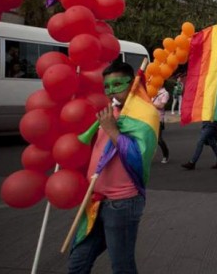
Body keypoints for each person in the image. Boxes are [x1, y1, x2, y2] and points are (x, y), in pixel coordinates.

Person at [68, 61, 159, 274]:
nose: (111, 92)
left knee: (122, 266)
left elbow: (138, 157)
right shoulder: (112, 111)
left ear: (133, 84)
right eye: (107, 87)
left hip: (122, 203)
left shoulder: (146, 115)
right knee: (77, 263)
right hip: (95, 200)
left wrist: (112, 131)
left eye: (117, 85)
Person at [152, 86, 170, 163]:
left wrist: (151, 104)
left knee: (159, 139)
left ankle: (166, 155)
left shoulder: (165, 93)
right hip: (150, 118)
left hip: (159, 119)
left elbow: (162, 106)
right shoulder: (152, 91)